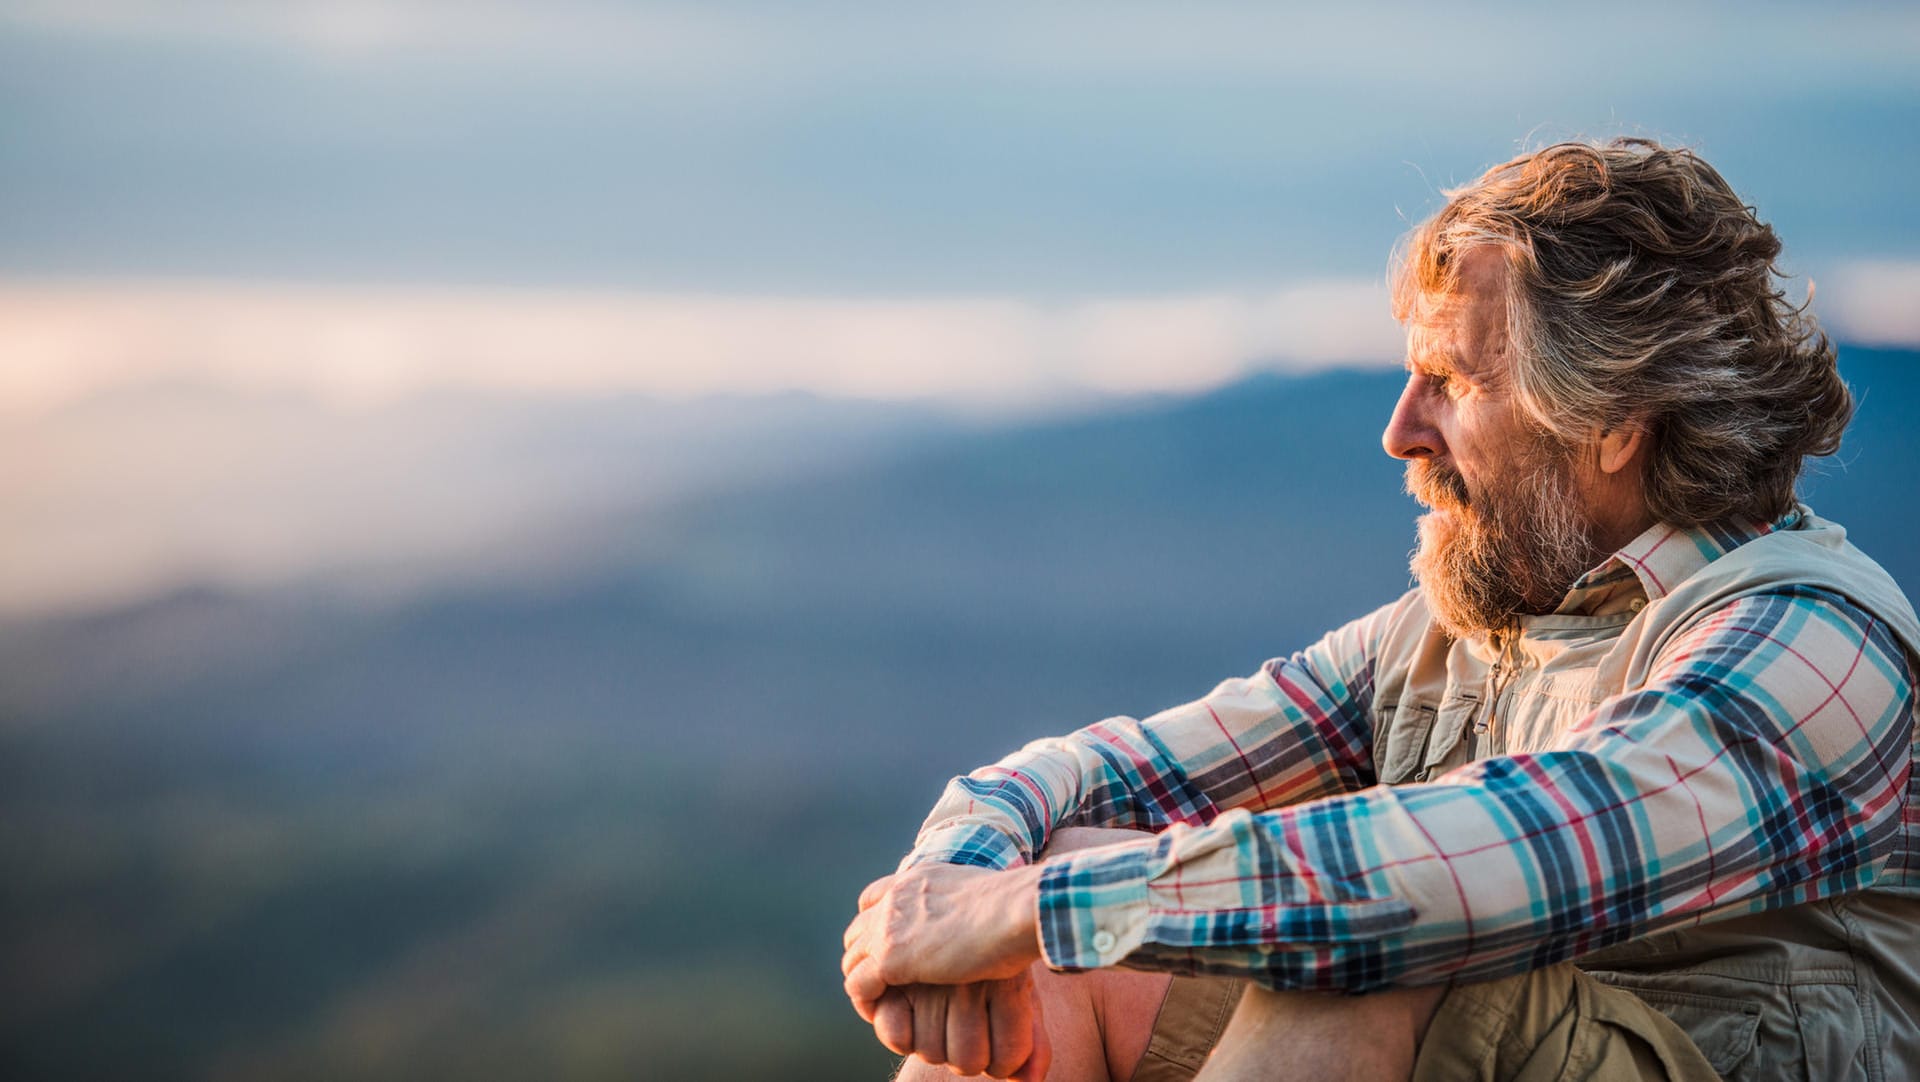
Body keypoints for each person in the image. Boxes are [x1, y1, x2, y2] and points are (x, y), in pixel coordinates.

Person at [840, 138, 1920, 1082]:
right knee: (1077, 899)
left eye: (1453, 380)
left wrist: (1031, 907)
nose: (1402, 430)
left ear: (1615, 420)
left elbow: (1472, 866)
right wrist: (961, 882)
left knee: (1368, 938)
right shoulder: (1460, 635)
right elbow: (1110, 774)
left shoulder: (1813, 646)